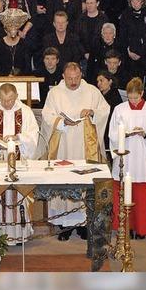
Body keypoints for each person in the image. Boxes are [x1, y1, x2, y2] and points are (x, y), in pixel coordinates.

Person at [41, 62, 110, 240]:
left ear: (81, 75)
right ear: (63, 76)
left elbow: (105, 109)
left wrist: (93, 112)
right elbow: (47, 115)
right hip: (63, 143)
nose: (73, 82)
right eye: (70, 78)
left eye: (77, 78)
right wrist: (61, 121)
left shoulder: (92, 91)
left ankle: (84, 224)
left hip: (83, 146)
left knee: (83, 180)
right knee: (64, 181)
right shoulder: (55, 93)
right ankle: (64, 224)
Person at [0, 84, 39, 242]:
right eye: (4, 100)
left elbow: (33, 135)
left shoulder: (25, 111)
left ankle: (20, 235)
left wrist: (18, 138)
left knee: (19, 195)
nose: (7, 104)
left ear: (16, 96)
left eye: (11, 100)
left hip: (20, 161)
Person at [108, 77, 146, 238]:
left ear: (142, 93)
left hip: (143, 158)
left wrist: (145, 133)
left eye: (136, 97)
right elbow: (112, 133)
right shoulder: (120, 109)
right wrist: (124, 133)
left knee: (142, 196)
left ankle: (142, 228)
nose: (132, 101)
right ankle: (125, 227)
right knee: (123, 191)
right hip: (125, 156)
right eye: (130, 97)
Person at [120, 0, 146, 78]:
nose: (135, 3)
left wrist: (141, 52)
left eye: (137, 0)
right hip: (129, 52)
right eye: (133, 0)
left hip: (144, 53)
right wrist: (128, 50)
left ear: (142, 1)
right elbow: (123, 34)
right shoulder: (125, 14)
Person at [77, 0, 109, 75]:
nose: (89, 5)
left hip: (99, 57)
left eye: (92, 3)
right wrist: (84, 53)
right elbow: (77, 38)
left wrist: (94, 55)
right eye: (87, 3)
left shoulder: (104, 18)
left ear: (97, 3)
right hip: (84, 57)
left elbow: (105, 38)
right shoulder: (81, 18)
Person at [96, 70, 123, 158]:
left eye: (101, 80)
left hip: (110, 129)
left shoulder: (115, 96)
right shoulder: (98, 95)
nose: (99, 84)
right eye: (98, 81)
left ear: (110, 81)